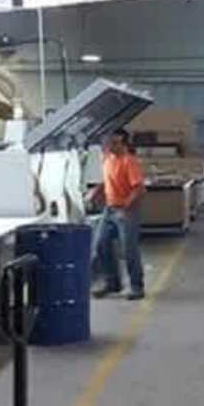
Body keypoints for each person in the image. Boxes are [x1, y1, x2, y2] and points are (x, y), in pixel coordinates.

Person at [88, 128, 146, 300]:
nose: (110, 146)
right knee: (101, 244)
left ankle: (137, 287)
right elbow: (107, 180)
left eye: (114, 143)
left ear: (123, 144)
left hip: (126, 211)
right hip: (109, 209)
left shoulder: (129, 162)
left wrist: (126, 206)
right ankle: (112, 283)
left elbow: (139, 189)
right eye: (108, 142)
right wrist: (96, 192)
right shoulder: (107, 159)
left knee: (128, 250)